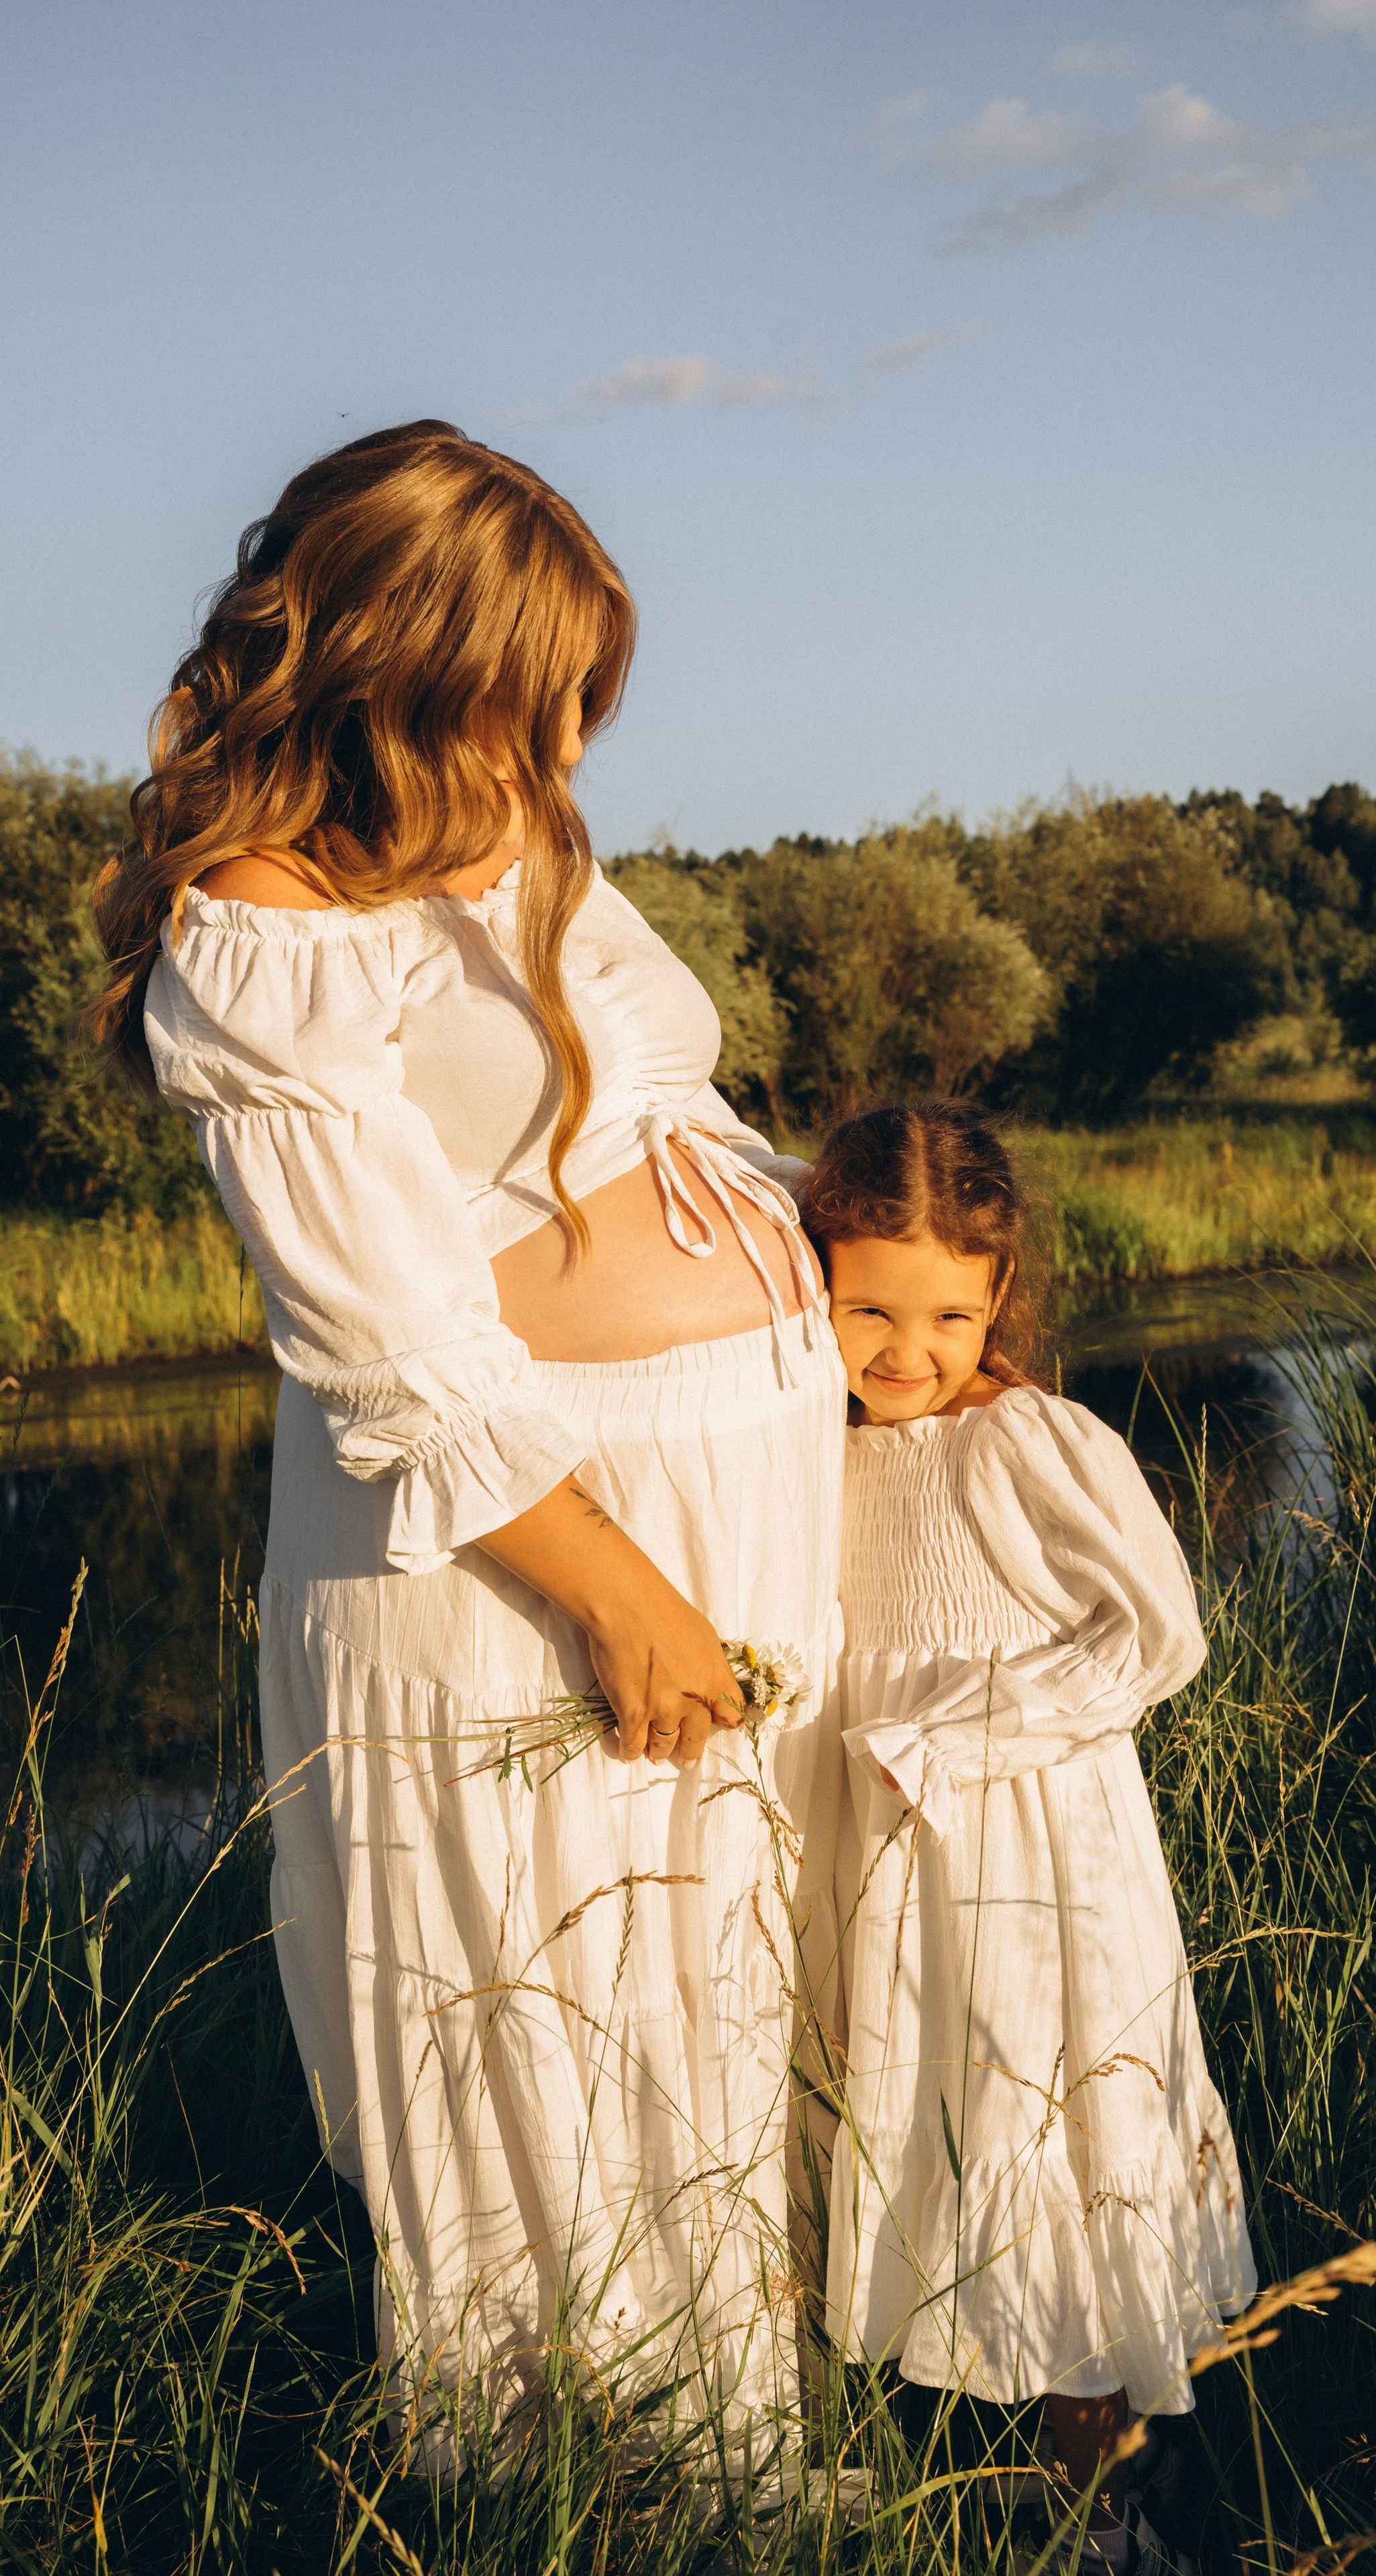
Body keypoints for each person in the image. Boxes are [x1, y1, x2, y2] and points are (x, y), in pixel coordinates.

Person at [91, 421, 848, 2467]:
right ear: (400, 667)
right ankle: (592, 2484)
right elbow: (387, 1335)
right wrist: (616, 1593)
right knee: (557, 2007)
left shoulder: (516, 831)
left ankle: (748, 2452)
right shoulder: (263, 920)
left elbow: (659, 1123)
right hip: (521, 1542)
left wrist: (879, 1283)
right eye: (534, 689)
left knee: (711, 1996)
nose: (568, 740)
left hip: (718, 1483)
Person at [799, 1103, 1256, 2573]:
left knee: (1044, 2133)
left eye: (948, 1313)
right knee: (919, 2125)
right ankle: (975, 2459)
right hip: (884, 1855)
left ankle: (1108, 2506)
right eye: (868, 1308)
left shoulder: (1025, 1441)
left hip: (1027, 1857)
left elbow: (1158, 1633)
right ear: (812, 1280)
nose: (905, 1350)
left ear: (998, 1295)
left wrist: (952, 1743)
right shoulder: (811, 1452)